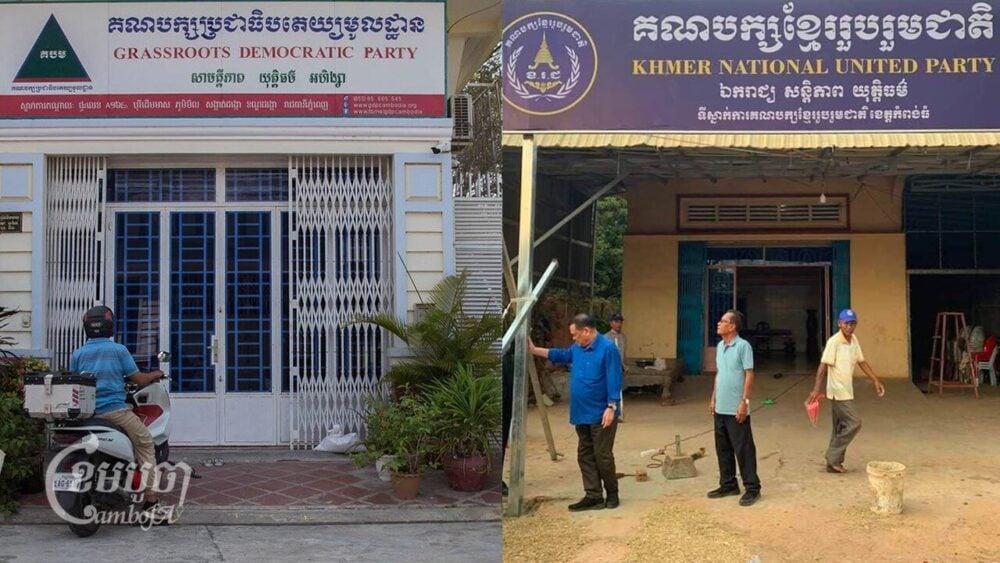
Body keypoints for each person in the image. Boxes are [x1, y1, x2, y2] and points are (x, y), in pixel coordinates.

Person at [69, 306, 165, 512]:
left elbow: (75, 382)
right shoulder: (118, 350)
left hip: (88, 414)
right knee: (146, 443)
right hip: (115, 411)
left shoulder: (78, 353)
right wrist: (154, 374)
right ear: (110, 325)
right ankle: (151, 501)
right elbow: (137, 378)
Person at [529, 314, 623, 511]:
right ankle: (593, 495)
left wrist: (611, 406)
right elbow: (561, 355)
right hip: (581, 413)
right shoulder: (578, 349)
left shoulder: (608, 349)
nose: (573, 338)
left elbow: (614, 378)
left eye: (575, 334)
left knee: (602, 455)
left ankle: (612, 493)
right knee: (585, 454)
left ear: (586, 331)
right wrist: (535, 350)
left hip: (601, 413)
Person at [805, 308, 886, 474]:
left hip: (847, 389)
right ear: (839, 324)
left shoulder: (854, 340)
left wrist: (875, 380)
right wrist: (815, 389)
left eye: (852, 323)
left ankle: (833, 464)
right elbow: (823, 366)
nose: (849, 327)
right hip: (837, 391)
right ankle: (832, 455)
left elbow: (861, 361)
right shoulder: (834, 342)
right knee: (855, 423)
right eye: (846, 323)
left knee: (840, 427)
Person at [708, 309, 761, 507]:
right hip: (720, 407)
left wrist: (744, 402)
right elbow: (719, 375)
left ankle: (752, 487)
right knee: (723, 448)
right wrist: (713, 398)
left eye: (723, 322)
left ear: (732, 326)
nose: (719, 324)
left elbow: (749, 374)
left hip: (736, 408)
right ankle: (728, 483)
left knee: (744, 449)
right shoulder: (721, 346)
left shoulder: (743, 346)